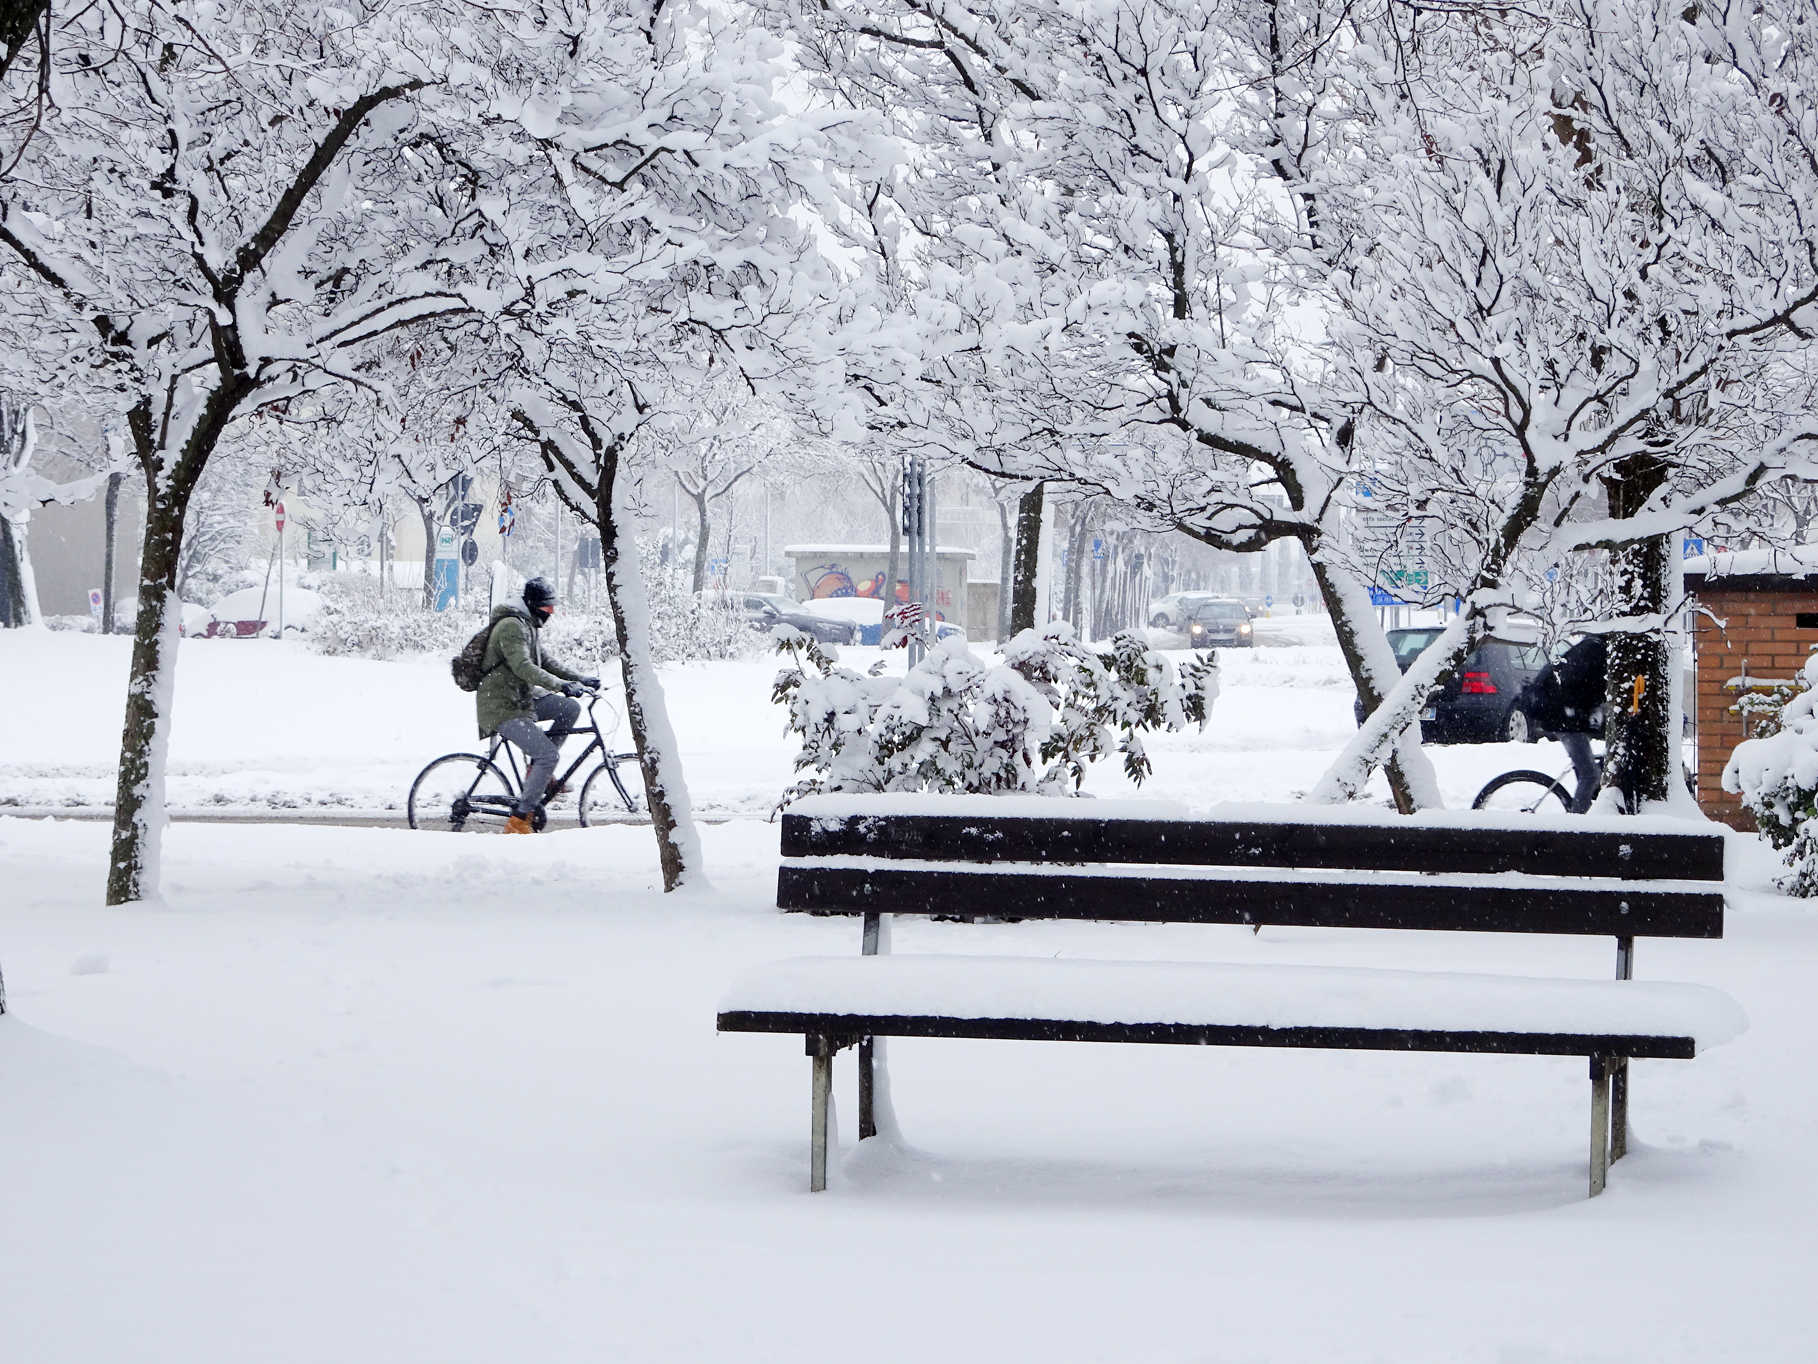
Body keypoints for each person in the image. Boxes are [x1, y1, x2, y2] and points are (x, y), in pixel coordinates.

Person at [475, 577, 599, 834]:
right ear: (532, 605)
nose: (549, 614)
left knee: (569, 709)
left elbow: (545, 661)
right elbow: (524, 667)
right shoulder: (512, 626)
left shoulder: (526, 624)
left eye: (551, 609)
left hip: (521, 700)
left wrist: (578, 678)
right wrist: (561, 686)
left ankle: (538, 774)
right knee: (548, 754)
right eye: (546, 609)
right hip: (503, 706)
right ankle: (519, 821)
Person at [1524, 634, 1607, 814]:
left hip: (1567, 717)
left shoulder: (1589, 646)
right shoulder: (1596, 650)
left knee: (1591, 767)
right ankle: (1576, 824)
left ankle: (1586, 807)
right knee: (1590, 775)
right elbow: (1585, 686)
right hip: (1566, 719)